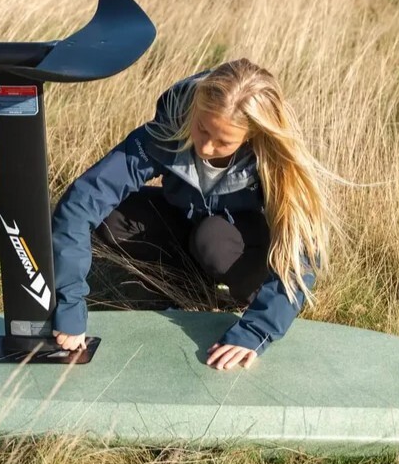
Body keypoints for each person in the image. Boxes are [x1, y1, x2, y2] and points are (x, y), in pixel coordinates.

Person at [48, 58, 335, 370]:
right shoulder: (171, 126)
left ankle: (246, 297)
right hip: (185, 221)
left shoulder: (273, 159)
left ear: (251, 136)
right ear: (195, 109)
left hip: (236, 245)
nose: (206, 147)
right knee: (112, 215)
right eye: (202, 129)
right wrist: (70, 303)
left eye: (223, 141)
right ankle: (183, 285)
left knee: (213, 238)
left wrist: (256, 331)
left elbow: (303, 249)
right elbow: (83, 200)